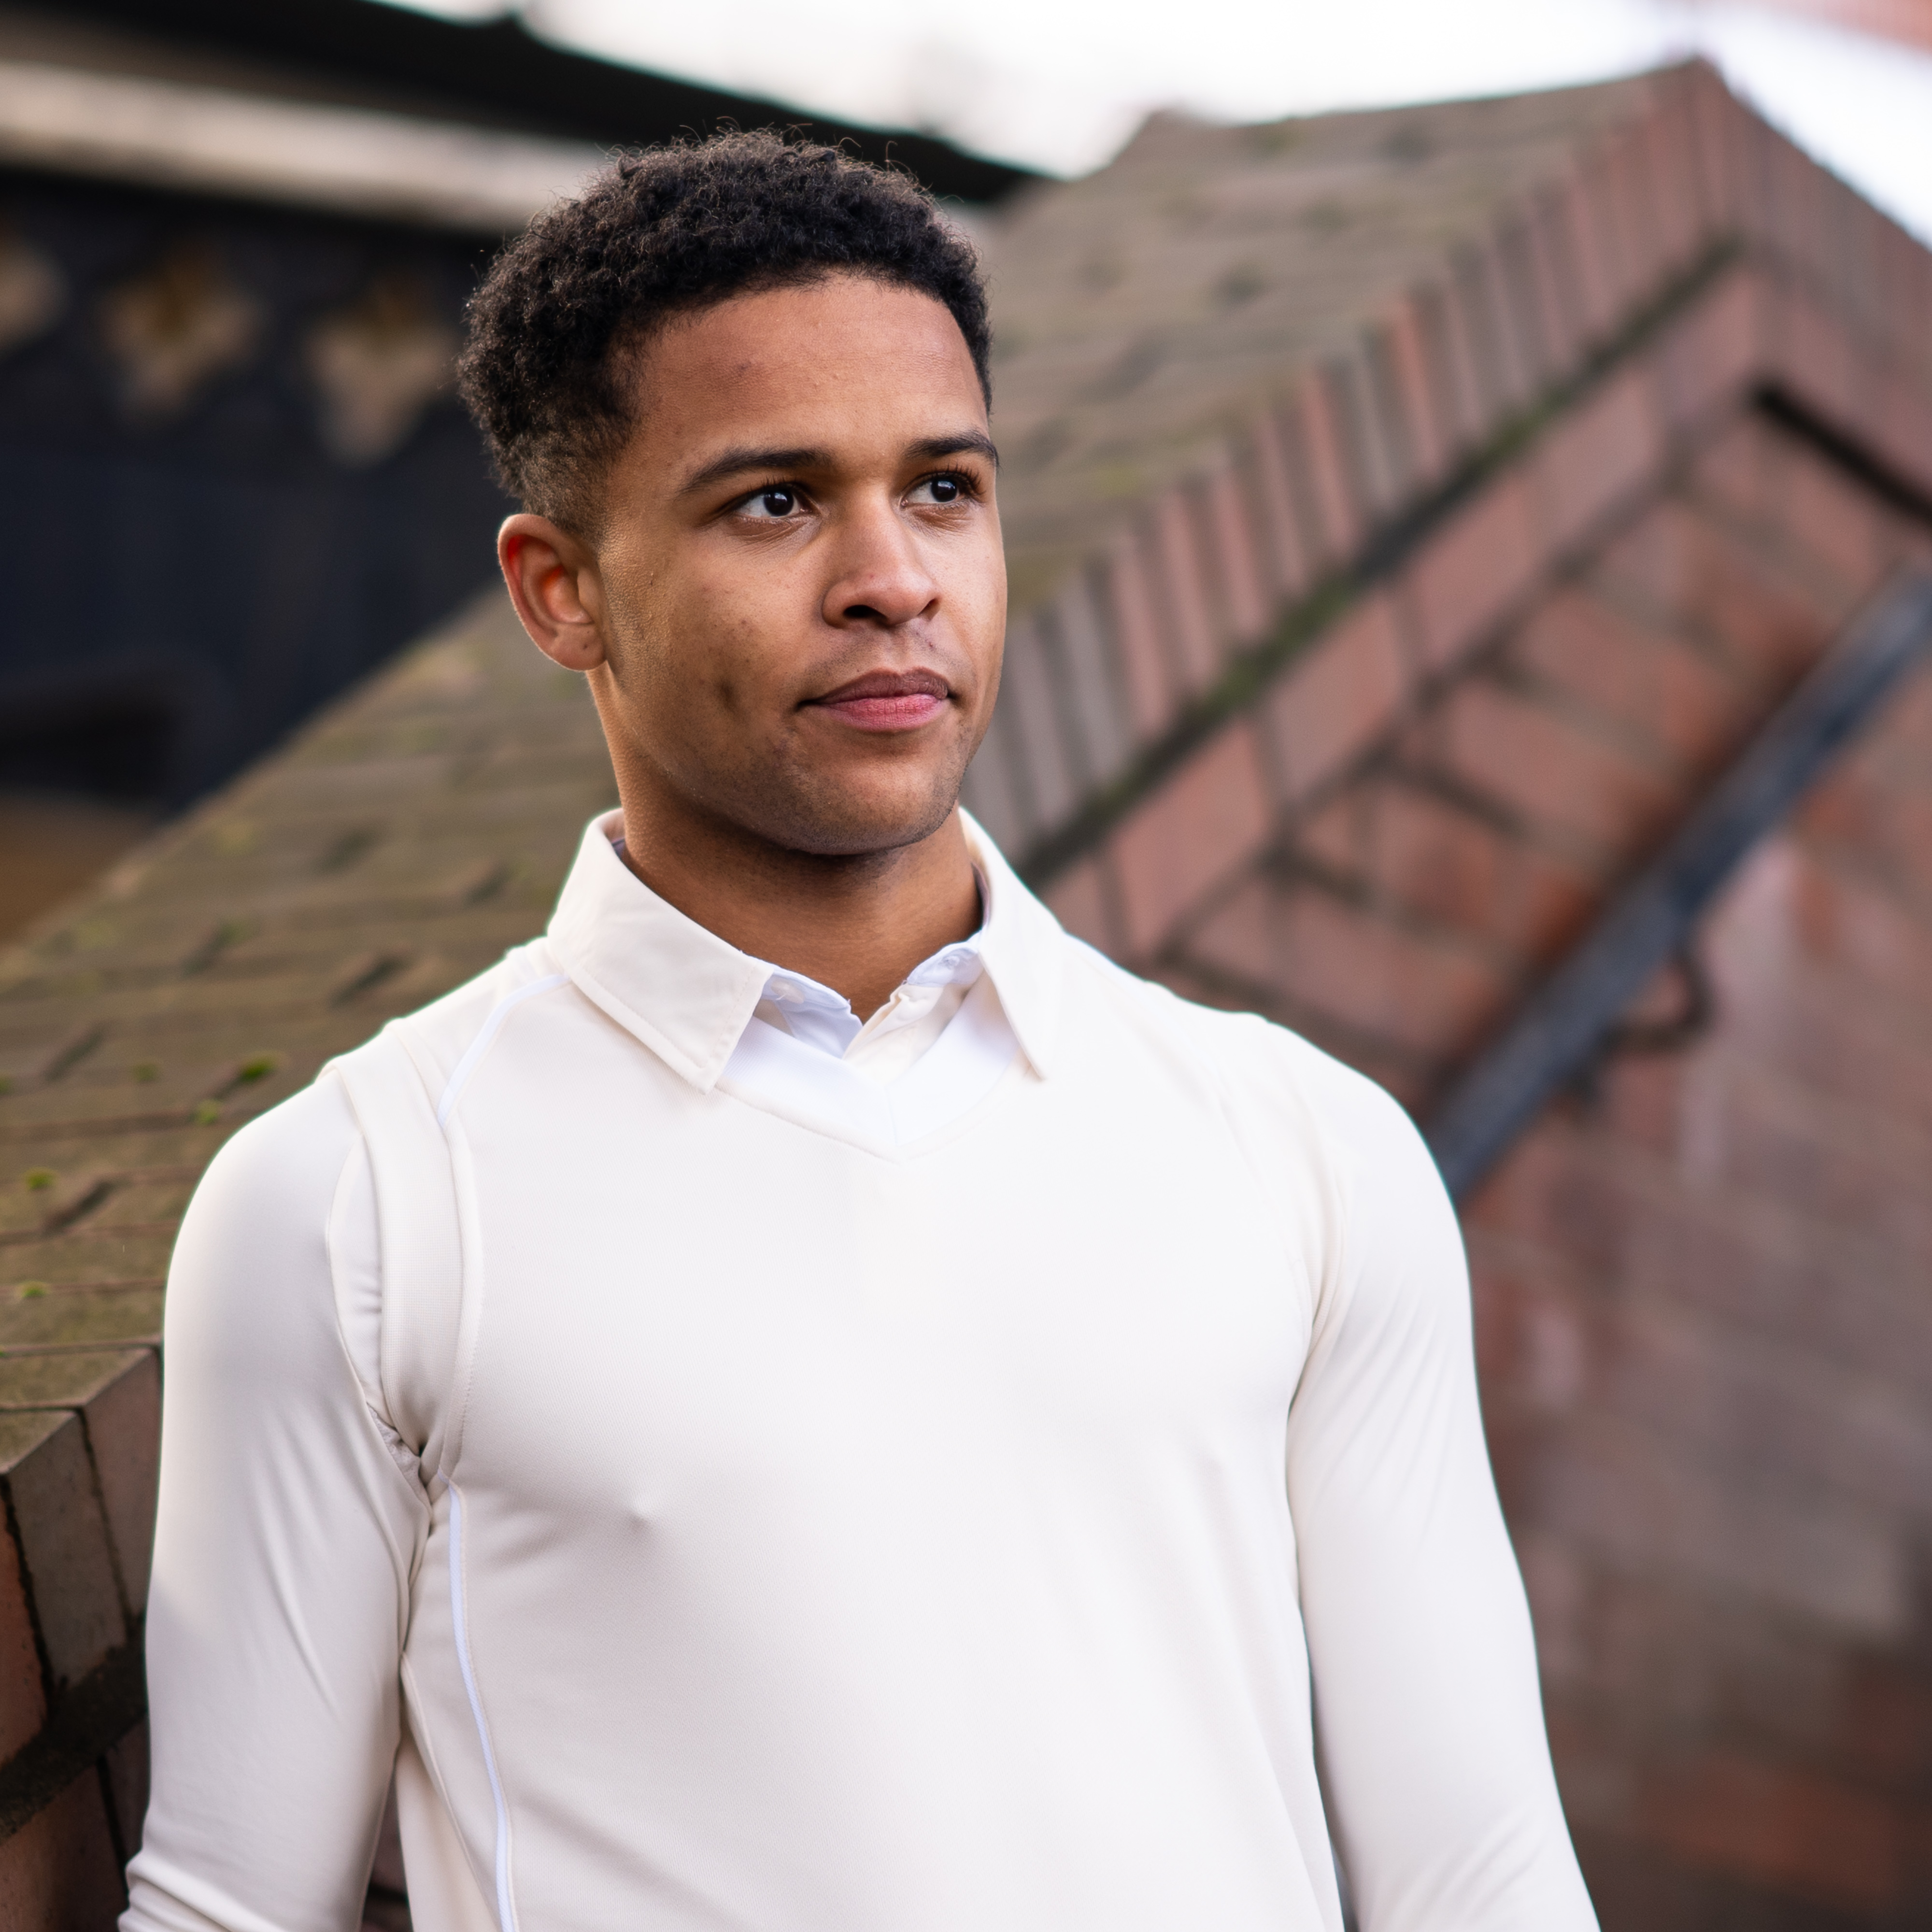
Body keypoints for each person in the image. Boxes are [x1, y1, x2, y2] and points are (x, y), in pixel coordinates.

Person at [125, 133, 1598, 1932]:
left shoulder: (1302, 1152)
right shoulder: (353, 1202)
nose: (893, 578)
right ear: (560, 590)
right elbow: (230, 1909)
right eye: (775, 503)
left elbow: (1481, 1879)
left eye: (945, 489)